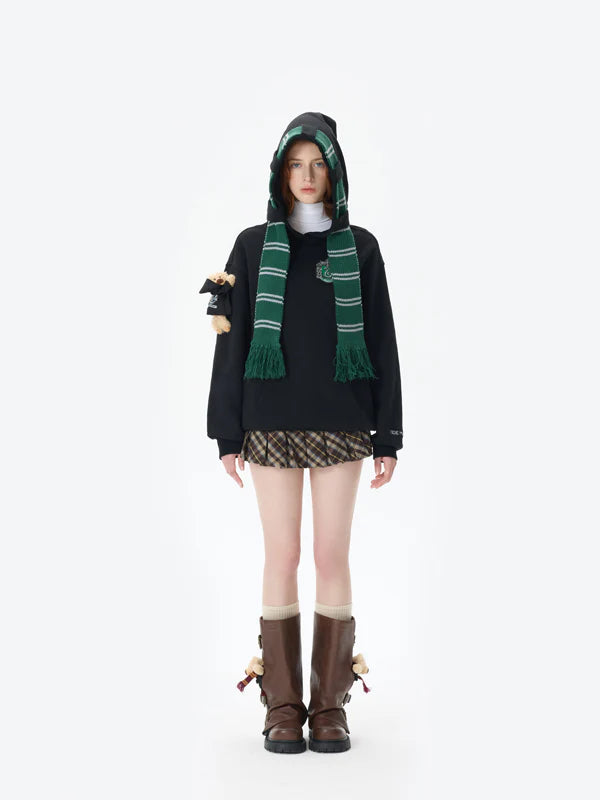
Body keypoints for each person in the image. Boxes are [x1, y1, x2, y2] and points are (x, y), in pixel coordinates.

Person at [205, 111, 403, 754]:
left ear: (335, 173)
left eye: (318, 165)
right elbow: (231, 344)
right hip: (269, 423)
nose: (307, 176)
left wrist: (388, 434)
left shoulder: (361, 248)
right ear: (280, 173)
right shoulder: (251, 247)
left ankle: (330, 705)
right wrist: (226, 432)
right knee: (282, 556)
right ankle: (283, 705)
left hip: (342, 423)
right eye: (296, 165)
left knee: (331, 557)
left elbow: (382, 341)